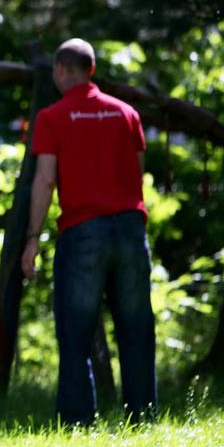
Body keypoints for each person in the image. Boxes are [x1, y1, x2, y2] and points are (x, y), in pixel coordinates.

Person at [21, 38, 156, 425]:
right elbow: (139, 167)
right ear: (91, 69)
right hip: (131, 228)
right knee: (136, 325)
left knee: (75, 329)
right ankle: (142, 415)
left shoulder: (52, 117)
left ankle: (78, 420)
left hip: (82, 231)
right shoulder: (127, 113)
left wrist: (33, 237)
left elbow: (45, 180)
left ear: (61, 70)